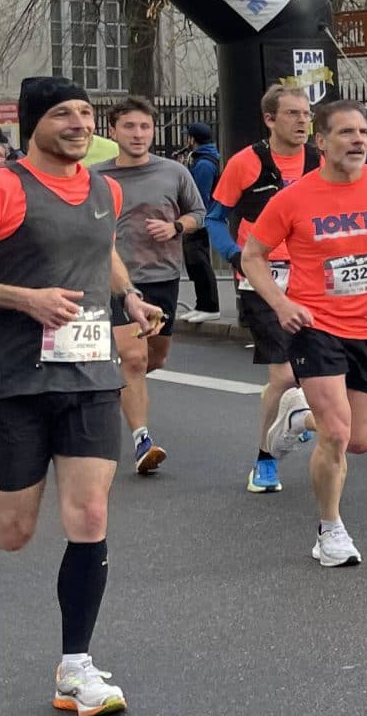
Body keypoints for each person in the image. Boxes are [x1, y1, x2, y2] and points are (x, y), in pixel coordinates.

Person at [0, 78, 152, 716]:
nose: (79, 124)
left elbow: (102, 254)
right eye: (63, 115)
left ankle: (75, 667)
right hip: (13, 379)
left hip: (89, 374)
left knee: (90, 515)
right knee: (15, 531)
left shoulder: (105, 187)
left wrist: (128, 297)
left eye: (85, 113)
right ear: (33, 125)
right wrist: (25, 298)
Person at [241, 100, 367, 568]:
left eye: (363, 132)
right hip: (314, 324)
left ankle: (297, 418)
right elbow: (252, 255)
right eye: (345, 133)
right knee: (337, 435)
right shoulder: (294, 198)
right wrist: (281, 304)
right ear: (320, 142)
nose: (359, 140)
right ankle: (330, 529)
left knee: (360, 440)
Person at [212, 83, 315, 493]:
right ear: (270, 119)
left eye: (306, 114)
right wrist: (237, 257)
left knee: (318, 372)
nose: (303, 121)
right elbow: (215, 218)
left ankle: (297, 421)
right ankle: (265, 459)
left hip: (311, 278)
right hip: (262, 277)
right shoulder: (246, 163)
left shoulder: (319, 162)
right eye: (292, 114)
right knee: (286, 374)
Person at [101, 98, 205, 477]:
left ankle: (112, 388)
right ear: (113, 131)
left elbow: (199, 213)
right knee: (134, 359)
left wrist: (175, 227)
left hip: (162, 275)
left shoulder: (174, 171)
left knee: (155, 358)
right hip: (114, 280)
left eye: (145, 127)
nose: (138, 134)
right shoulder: (96, 177)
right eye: (129, 126)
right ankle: (142, 440)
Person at [177, 121, 223, 320]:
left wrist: (194, 217)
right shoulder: (200, 158)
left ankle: (210, 307)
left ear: (192, 139)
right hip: (197, 217)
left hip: (199, 219)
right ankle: (201, 304)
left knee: (199, 262)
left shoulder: (204, 164)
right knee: (194, 263)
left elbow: (199, 194)